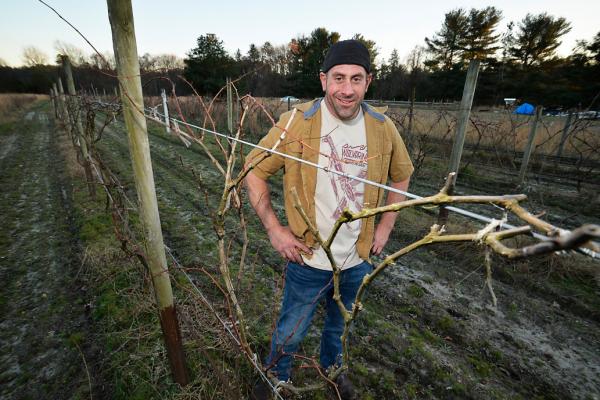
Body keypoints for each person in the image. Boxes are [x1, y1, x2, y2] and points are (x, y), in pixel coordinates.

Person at [245, 40, 414, 400]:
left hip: (357, 257)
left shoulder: (383, 127)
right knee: (292, 326)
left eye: (356, 79)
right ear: (324, 80)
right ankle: (276, 375)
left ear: (369, 82)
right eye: (339, 78)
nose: (347, 89)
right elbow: (254, 170)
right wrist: (274, 229)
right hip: (309, 256)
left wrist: (385, 227)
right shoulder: (297, 122)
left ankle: (333, 366)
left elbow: (402, 174)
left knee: (340, 323)